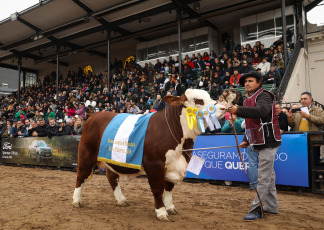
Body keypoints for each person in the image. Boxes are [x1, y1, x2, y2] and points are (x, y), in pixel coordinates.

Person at [228, 71, 282, 221]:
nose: (247, 84)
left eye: (250, 81)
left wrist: (238, 109)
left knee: (264, 177)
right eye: (245, 82)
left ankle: (256, 209)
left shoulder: (264, 95)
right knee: (269, 176)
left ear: (259, 83)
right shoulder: (247, 100)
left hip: (269, 141)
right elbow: (250, 124)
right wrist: (246, 139)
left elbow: (261, 111)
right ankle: (271, 207)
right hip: (258, 141)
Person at [287, 92, 324, 163]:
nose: (303, 100)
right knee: (301, 163)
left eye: (305, 99)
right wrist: (289, 118)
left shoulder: (318, 109)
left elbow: (321, 120)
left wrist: (309, 117)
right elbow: (292, 125)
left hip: (313, 142)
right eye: (301, 99)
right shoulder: (298, 110)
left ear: (311, 99)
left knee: (313, 163)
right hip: (299, 141)